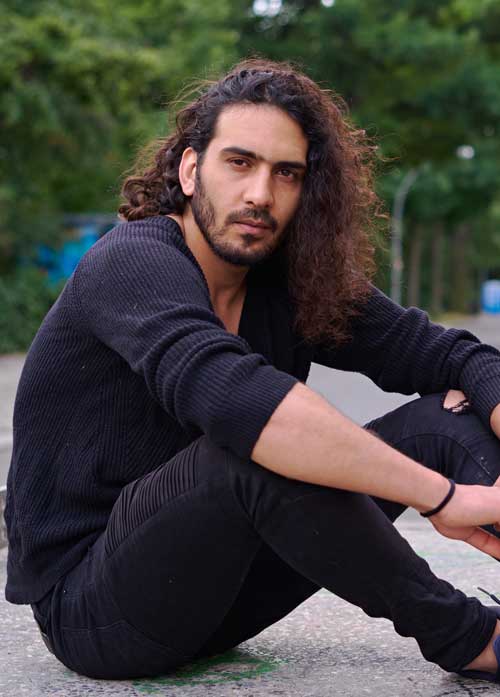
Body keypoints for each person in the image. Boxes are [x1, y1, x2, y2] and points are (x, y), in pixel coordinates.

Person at [6, 58, 500, 684]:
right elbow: (244, 404)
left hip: (228, 586)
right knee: (254, 445)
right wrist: (445, 497)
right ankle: (473, 640)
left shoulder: (288, 282)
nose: (261, 194)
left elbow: (455, 355)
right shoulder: (131, 263)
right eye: (239, 162)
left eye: (286, 173)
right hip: (98, 611)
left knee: (446, 420)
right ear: (190, 170)